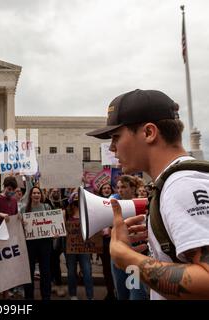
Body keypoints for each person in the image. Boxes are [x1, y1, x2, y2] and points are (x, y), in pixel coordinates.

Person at [87, 89, 209, 299]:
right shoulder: (176, 182)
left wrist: (125, 256)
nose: (113, 148)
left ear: (149, 133)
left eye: (116, 137)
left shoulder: (181, 186)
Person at [109, 175, 148, 300]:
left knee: (136, 290)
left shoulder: (142, 204)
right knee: (121, 290)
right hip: (118, 252)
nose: (120, 190)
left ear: (133, 189)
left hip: (134, 252)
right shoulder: (113, 205)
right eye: (118, 187)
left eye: (124, 187)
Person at [20, 187, 54, 300]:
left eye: (38, 193)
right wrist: (21, 223)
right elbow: (19, 227)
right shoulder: (24, 209)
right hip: (29, 243)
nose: (36, 195)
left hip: (45, 243)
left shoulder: (47, 207)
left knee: (45, 270)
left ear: (41, 195)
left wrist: (55, 232)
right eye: (34, 193)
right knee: (29, 271)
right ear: (30, 195)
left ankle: (46, 296)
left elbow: (53, 223)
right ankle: (29, 297)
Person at [65, 190, 94, 300]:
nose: (77, 199)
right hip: (70, 247)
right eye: (75, 197)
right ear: (71, 199)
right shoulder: (66, 213)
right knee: (71, 271)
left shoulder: (87, 212)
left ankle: (90, 296)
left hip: (84, 247)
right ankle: (73, 294)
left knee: (87, 271)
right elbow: (63, 229)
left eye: (79, 197)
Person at [96, 183, 116, 300]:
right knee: (106, 268)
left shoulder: (116, 201)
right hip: (103, 241)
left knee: (116, 267)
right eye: (104, 188)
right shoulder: (97, 203)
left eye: (108, 188)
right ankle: (110, 292)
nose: (107, 190)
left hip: (114, 239)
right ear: (101, 191)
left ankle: (117, 291)